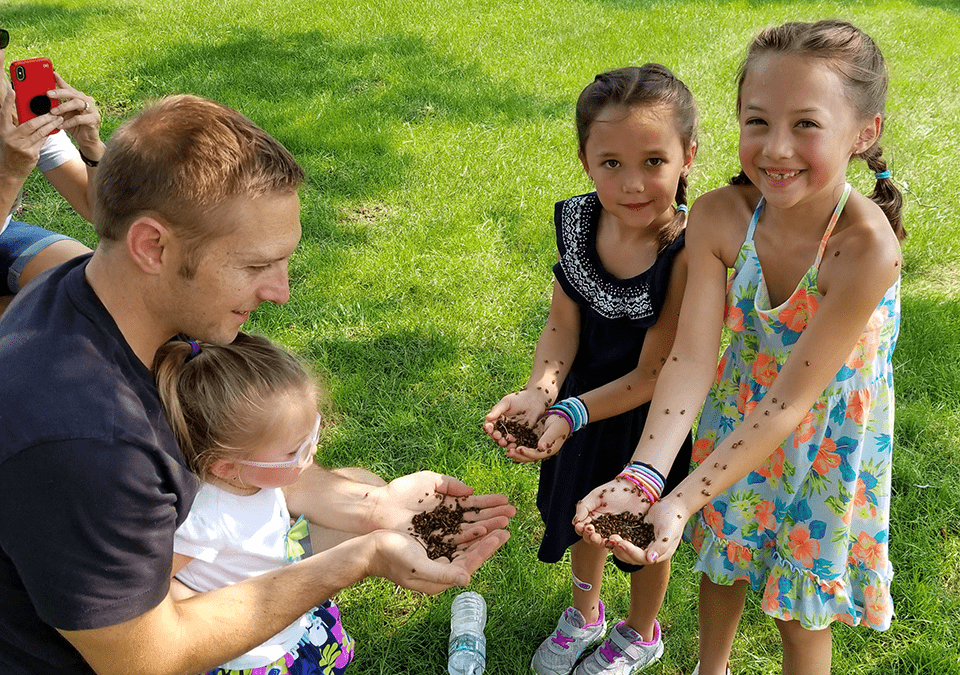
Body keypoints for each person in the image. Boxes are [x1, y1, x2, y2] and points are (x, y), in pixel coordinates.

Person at [0, 94, 514, 675]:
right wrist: (362, 557)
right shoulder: (88, 442)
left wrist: (373, 507)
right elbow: (146, 656)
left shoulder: (102, 294)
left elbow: (239, 466)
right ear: (152, 246)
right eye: (254, 265)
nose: (280, 292)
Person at [574, 20, 904, 675]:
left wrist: (681, 498)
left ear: (864, 132)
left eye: (806, 124)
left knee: (795, 611)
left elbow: (790, 403)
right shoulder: (723, 217)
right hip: (738, 410)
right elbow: (692, 357)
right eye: (758, 120)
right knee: (721, 561)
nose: (776, 147)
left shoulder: (866, 250)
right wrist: (645, 479)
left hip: (827, 441)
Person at [483, 64, 696, 675]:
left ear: (688, 156)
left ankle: (640, 630)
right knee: (576, 514)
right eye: (611, 163)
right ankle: (586, 612)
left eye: (654, 161)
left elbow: (657, 373)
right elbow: (562, 326)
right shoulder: (579, 223)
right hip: (573, 408)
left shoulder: (686, 251)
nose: (632, 184)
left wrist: (569, 413)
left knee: (636, 539)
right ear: (584, 159)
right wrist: (539, 391)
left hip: (647, 425)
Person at [154, 333, 360, 674]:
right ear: (226, 466)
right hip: (255, 652)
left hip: (284, 609)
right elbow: (154, 585)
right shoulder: (207, 518)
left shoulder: (254, 479)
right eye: (294, 451)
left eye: (314, 433)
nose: (313, 452)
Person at [0, 27, 102, 313]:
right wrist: (9, 174)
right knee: (47, 322)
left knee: (102, 288)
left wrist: (91, 146)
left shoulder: (15, 108)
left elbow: (96, 207)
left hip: (3, 235)